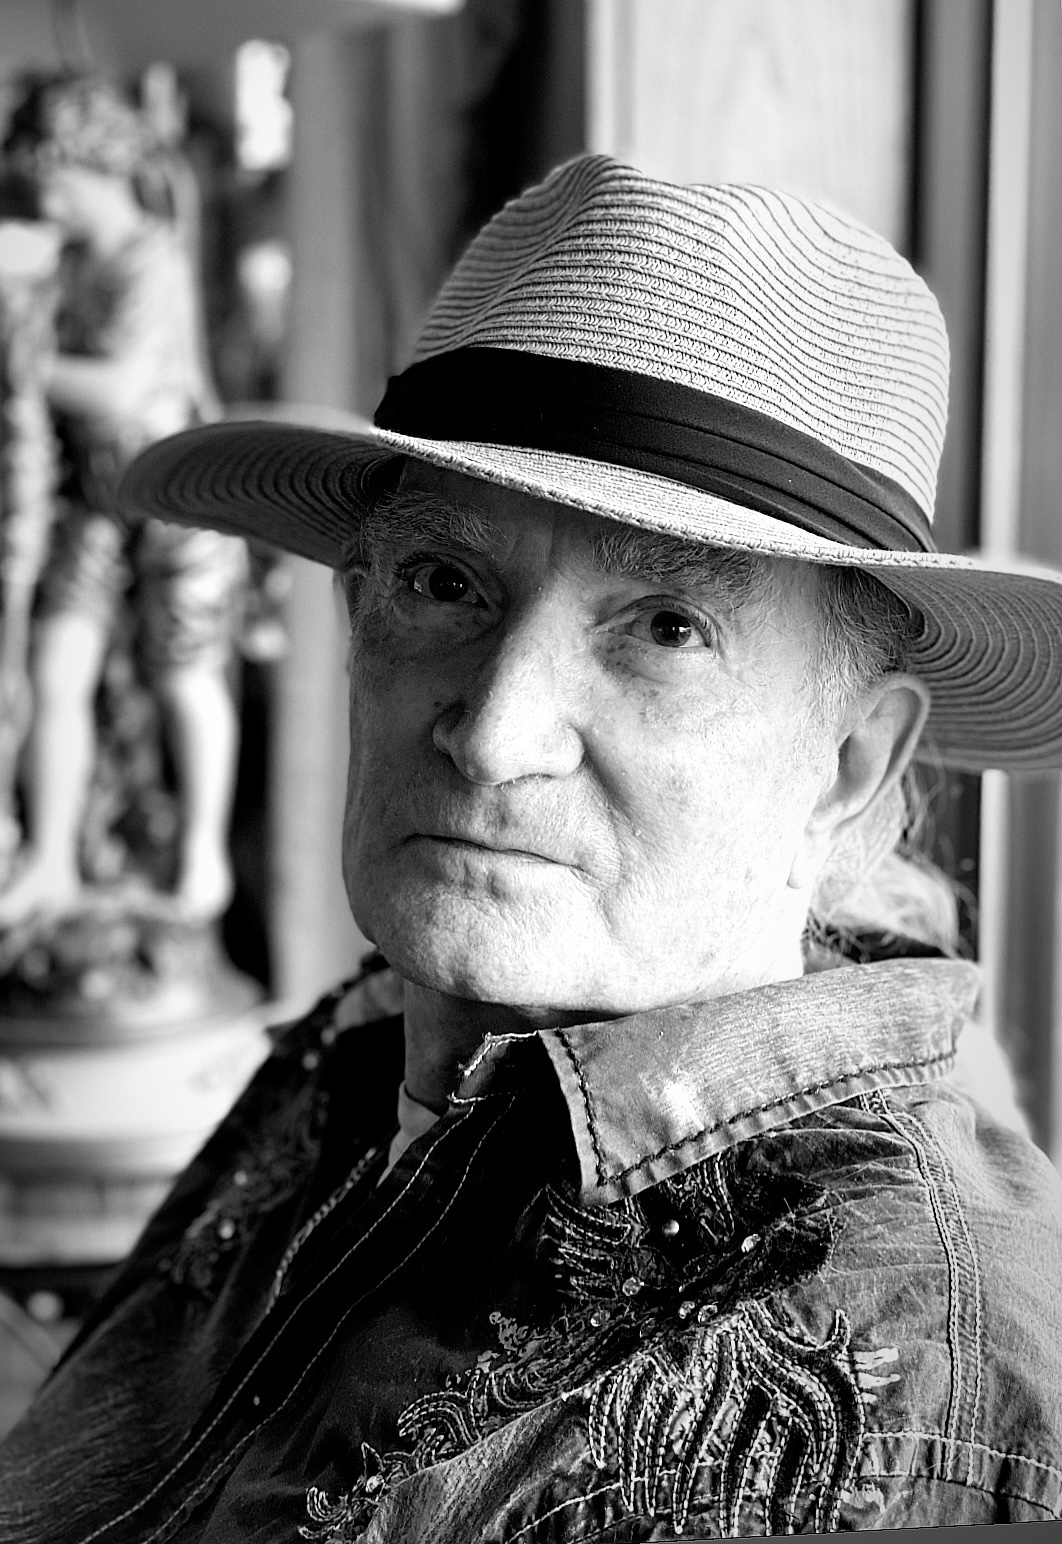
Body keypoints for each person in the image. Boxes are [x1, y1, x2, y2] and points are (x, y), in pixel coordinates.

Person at [1, 155, 1061, 1538]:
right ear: (356, 621)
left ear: (850, 763)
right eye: (444, 582)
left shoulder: (905, 1379)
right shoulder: (377, 1042)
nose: (497, 734)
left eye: (667, 629)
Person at [0, 76, 246, 927]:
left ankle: (204, 860)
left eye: (51, 178)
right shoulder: (63, 264)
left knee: (186, 672)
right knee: (55, 665)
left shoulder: (152, 257)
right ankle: (52, 859)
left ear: (94, 168)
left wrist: (23, 365)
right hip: (96, 501)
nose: (41, 196)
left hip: (177, 492)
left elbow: (118, 390)